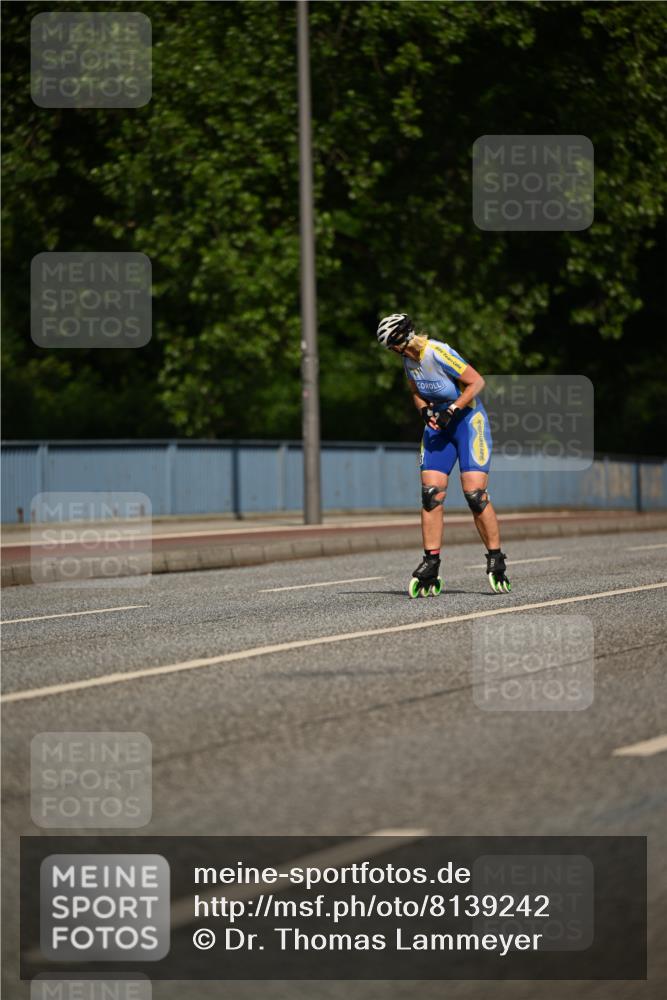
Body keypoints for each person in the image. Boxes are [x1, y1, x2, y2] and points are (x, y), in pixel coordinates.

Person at [376, 312, 511, 597]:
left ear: (402, 338)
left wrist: (453, 409)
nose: (391, 351)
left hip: (467, 422)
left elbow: (476, 382)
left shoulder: (438, 352)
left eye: (391, 344)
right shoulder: (407, 360)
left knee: (475, 495)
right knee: (431, 494)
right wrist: (424, 409)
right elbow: (416, 390)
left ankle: (496, 557)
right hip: (438, 426)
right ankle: (431, 563)